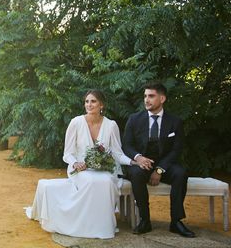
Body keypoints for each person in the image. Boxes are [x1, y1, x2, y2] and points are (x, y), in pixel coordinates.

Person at [26, 90, 133, 239]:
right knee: (90, 180)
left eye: (93, 101)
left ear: (101, 104)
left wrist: (132, 161)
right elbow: (67, 153)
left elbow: (117, 153)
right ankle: (82, 225)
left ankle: (103, 226)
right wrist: (75, 163)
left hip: (105, 169)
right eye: (87, 101)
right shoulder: (76, 122)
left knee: (107, 181)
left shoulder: (111, 125)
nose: (89, 104)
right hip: (80, 169)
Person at [123, 82, 194, 237]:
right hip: (140, 164)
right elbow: (126, 145)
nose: (146, 100)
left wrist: (160, 169)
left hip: (165, 164)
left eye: (151, 96)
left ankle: (176, 222)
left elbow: (176, 150)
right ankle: (145, 220)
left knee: (180, 173)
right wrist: (139, 158)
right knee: (135, 174)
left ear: (162, 98)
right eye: (145, 96)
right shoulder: (134, 119)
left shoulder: (175, 122)